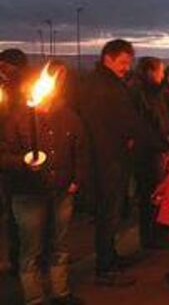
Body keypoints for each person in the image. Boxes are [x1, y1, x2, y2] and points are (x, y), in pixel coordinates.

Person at [4, 66, 88, 305]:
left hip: (62, 191)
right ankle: (35, 297)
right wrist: (22, 161)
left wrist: (76, 180)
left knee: (59, 245)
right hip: (28, 193)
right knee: (32, 249)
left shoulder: (69, 116)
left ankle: (60, 293)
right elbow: (2, 154)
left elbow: (81, 151)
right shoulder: (16, 119)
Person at [79, 39, 143, 286]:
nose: (127, 67)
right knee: (109, 214)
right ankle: (105, 268)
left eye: (129, 63)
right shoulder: (103, 85)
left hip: (110, 156)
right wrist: (152, 141)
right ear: (108, 58)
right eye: (123, 62)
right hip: (107, 159)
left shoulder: (105, 82)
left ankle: (111, 257)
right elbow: (124, 120)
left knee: (112, 213)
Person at [131, 57, 169, 250]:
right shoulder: (140, 93)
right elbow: (145, 125)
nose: (163, 75)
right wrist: (162, 144)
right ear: (150, 72)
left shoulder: (155, 92)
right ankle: (152, 237)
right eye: (160, 71)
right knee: (152, 193)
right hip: (149, 151)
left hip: (156, 148)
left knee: (156, 192)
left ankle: (156, 234)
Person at [0, 48, 29, 277]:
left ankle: (21, 258)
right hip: (11, 155)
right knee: (15, 211)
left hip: (19, 154)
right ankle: (19, 258)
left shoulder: (18, 90)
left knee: (17, 211)